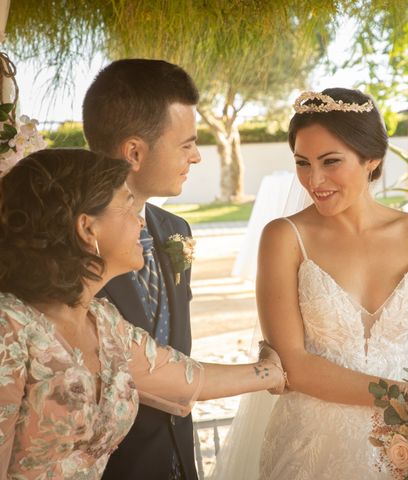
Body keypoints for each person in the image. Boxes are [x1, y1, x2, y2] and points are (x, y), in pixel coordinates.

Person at [0, 149, 285, 479]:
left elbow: (186, 377)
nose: (140, 219)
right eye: (126, 204)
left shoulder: (104, 322)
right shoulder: (10, 329)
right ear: (87, 228)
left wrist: (273, 371)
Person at [255, 88, 408, 479]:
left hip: (405, 444)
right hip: (311, 446)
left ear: (371, 159)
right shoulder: (284, 237)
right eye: (302, 163)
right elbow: (293, 363)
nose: (315, 179)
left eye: (331, 162)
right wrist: (405, 397)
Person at [82, 58, 202, 479]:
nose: (197, 156)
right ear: (134, 152)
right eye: (186, 144)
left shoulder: (175, 229)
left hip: (178, 460)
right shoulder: (68, 239)